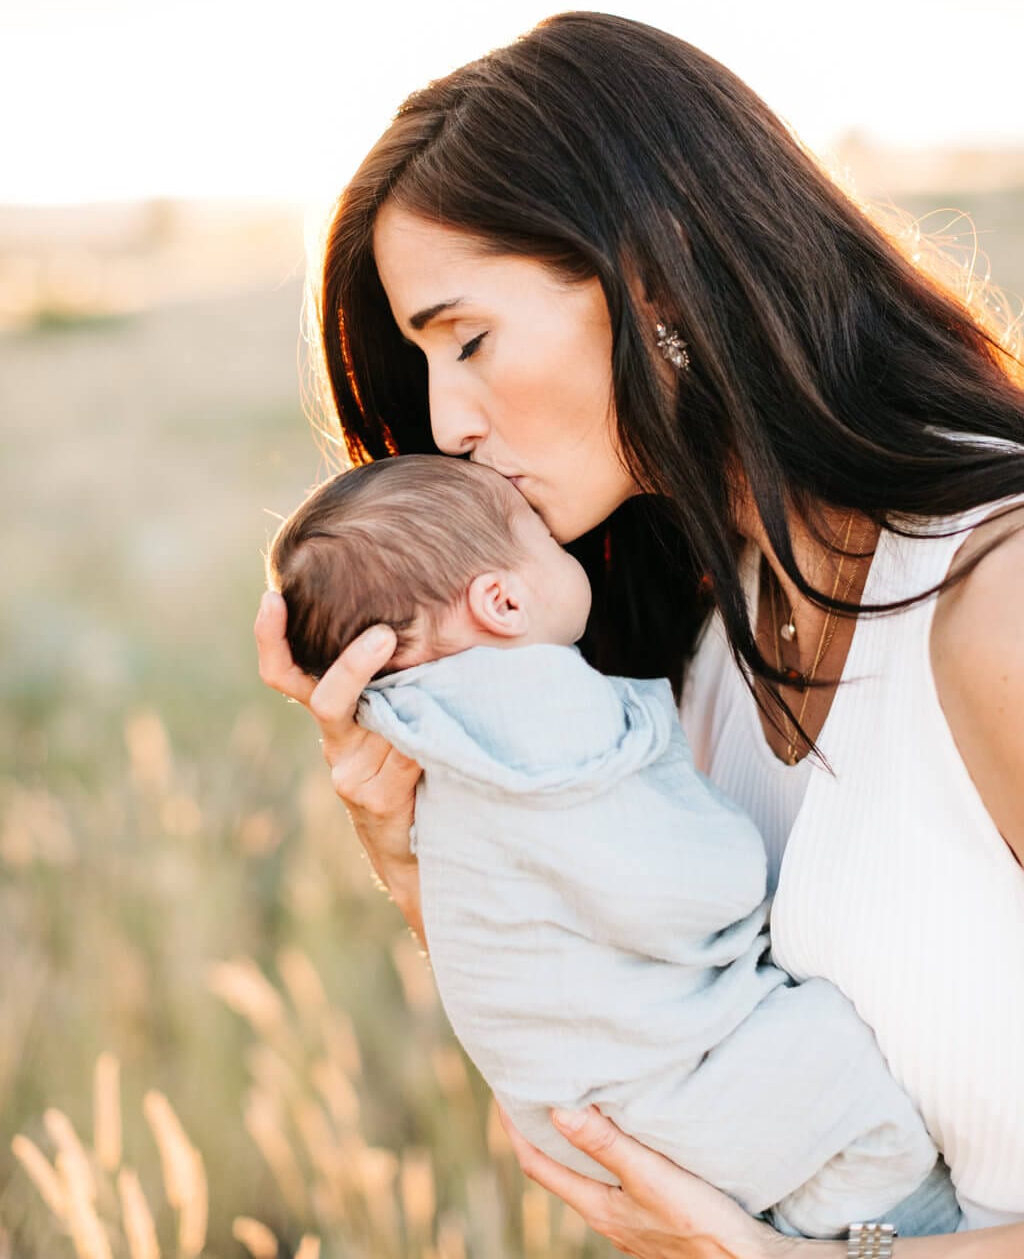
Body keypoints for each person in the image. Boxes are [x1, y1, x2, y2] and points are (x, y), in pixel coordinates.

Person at [256, 11, 1024, 1257]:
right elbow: (637, 1037)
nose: (445, 420)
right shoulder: (700, 658)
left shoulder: (996, 604)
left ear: (654, 278)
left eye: (468, 338)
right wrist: (419, 851)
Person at [265, 453, 957, 1239]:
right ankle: (877, 1229)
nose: (566, 549)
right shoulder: (541, 712)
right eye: (543, 542)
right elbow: (669, 881)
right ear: (502, 600)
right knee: (850, 1095)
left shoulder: (428, 735)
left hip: (589, 1123)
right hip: (670, 1093)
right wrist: (747, 878)